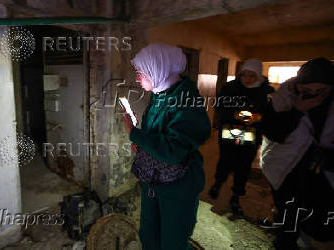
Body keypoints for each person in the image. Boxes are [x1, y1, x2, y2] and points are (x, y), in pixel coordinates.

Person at [121, 43, 211, 250]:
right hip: (154, 179)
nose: (137, 78)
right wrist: (141, 141)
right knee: (148, 234)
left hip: (179, 185)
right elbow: (158, 135)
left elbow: (173, 151)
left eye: (141, 73)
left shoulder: (186, 103)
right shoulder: (160, 93)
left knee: (173, 241)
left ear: (158, 70)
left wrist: (134, 133)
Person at [260, 57, 334, 249]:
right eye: (307, 90)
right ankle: (285, 242)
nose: (314, 95)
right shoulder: (283, 98)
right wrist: (298, 110)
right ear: (298, 85)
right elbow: (272, 132)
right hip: (286, 168)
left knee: (319, 219)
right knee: (288, 212)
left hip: (321, 170)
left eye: (321, 91)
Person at [208, 59, 274, 215]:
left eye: (251, 76)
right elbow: (219, 106)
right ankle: (218, 182)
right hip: (230, 130)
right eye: (244, 75)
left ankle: (236, 196)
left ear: (258, 75)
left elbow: (273, 113)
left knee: (243, 166)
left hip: (252, 134)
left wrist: (259, 117)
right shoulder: (231, 87)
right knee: (225, 159)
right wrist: (233, 114)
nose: (247, 79)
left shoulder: (267, 92)